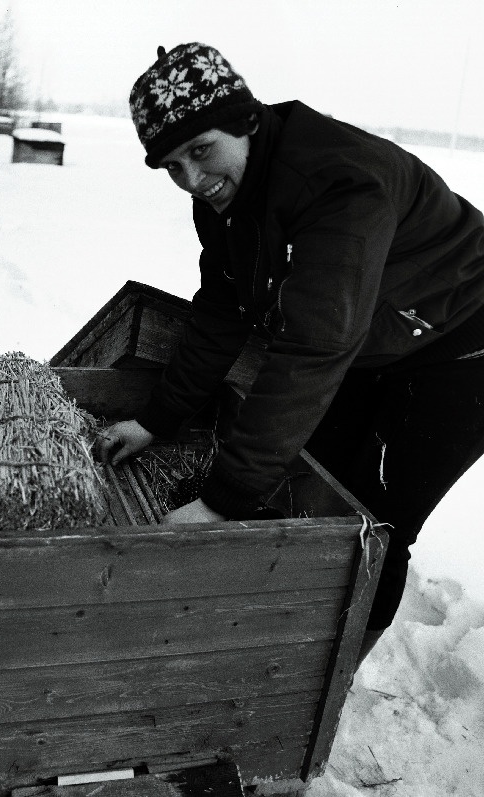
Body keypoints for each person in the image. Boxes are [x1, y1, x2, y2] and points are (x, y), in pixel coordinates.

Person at [94, 42, 484, 664]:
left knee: (373, 520)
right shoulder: (227, 191)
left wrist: (221, 502)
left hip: (463, 342)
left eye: (201, 151)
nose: (192, 180)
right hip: (376, 332)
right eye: (172, 166)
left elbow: (313, 346)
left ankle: (316, 687)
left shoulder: (338, 182)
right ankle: (280, 637)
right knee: (317, 477)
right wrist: (156, 419)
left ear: (247, 120)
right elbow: (222, 307)